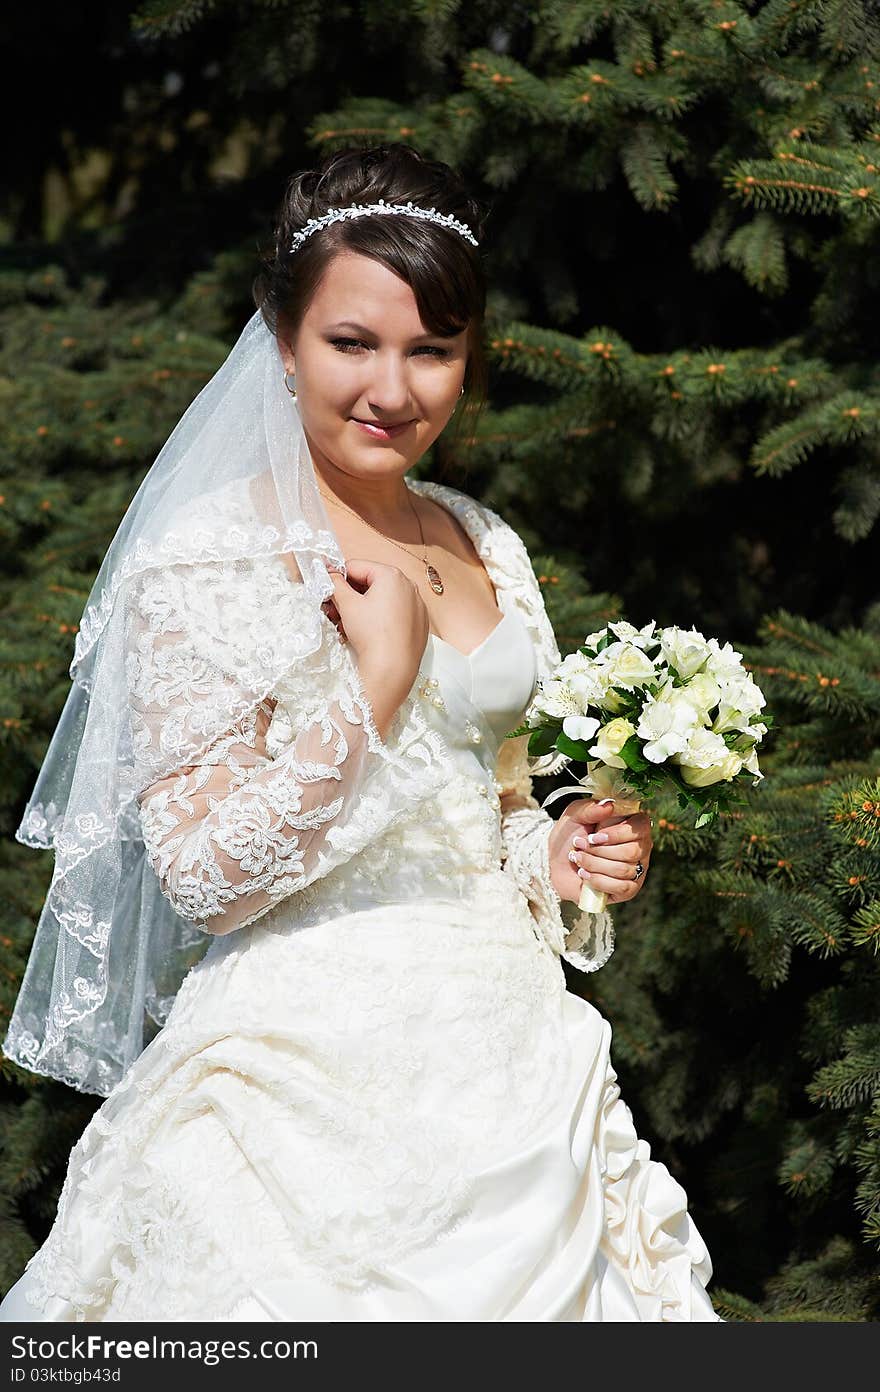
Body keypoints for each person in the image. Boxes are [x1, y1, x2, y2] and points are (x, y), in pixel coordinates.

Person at [0, 143, 718, 1322]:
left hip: (514, 1070)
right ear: (281, 342)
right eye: (353, 343)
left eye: (432, 350)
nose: (394, 389)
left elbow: (480, 807)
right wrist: (371, 689)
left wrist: (558, 851)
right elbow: (203, 877)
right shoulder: (210, 556)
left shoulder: (482, 540)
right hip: (294, 1099)